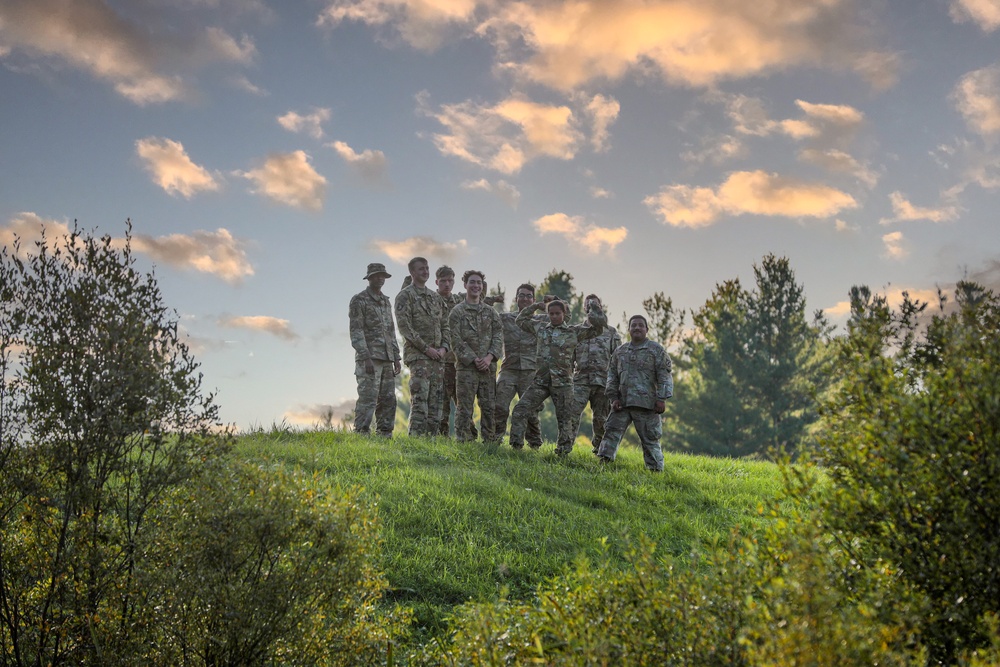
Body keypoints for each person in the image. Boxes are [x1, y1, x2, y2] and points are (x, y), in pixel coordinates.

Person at [508, 297, 606, 455]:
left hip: (563, 383)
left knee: (565, 420)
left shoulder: (574, 331)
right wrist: (535, 306)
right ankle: (516, 447)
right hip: (541, 381)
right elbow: (520, 320)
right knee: (520, 409)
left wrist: (594, 308)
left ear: (564, 313)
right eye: (551, 313)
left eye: (557, 313)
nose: (554, 316)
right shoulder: (540, 327)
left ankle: (562, 452)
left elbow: (598, 328)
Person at [596, 314, 673, 472]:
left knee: (650, 439)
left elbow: (664, 375)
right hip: (622, 404)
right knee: (610, 433)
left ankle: (656, 471)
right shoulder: (620, 351)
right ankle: (604, 465)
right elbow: (612, 376)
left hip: (647, 404)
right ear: (629, 329)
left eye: (640, 325)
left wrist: (662, 398)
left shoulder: (656, 350)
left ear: (646, 329)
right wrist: (613, 398)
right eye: (633, 325)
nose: (637, 328)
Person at [394, 256, 450, 437]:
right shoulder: (405, 296)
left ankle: (431, 443)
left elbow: (445, 325)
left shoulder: (435, 297)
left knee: (436, 403)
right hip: (419, 357)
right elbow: (405, 327)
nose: (425, 272)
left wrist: (444, 348)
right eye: (421, 269)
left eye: (427, 268)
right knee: (420, 401)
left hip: (438, 358)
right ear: (412, 272)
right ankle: (416, 442)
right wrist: (426, 349)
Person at [448, 270, 503, 442]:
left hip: (488, 368)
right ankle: (463, 441)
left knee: (488, 407)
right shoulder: (457, 312)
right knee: (464, 408)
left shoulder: (491, 312)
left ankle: (489, 443)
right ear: (465, 285)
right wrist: (473, 358)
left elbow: (498, 336)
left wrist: (488, 358)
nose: (476, 286)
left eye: (479, 283)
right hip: (466, 369)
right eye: (472, 282)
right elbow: (455, 340)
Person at [349, 262, 402, 437]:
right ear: (370, 277)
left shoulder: (386, 302)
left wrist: (396, 357)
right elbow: (356, 330)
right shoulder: (359, 300)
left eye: (383, 276)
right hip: (370, 358)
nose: (380, 278)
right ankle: (361, 434)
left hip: (387, 358)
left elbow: (391, 330)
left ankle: (385, 435)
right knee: (368, 398)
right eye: (377, 275)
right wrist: (365, 357)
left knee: (388, 399)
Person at [494, 283, 546, 448]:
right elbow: (485, 313)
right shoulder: (505, 318)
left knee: (531, 411)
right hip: (509, 369)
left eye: (528, 296)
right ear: (516, 299)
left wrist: (551, 302)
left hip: (531, 371)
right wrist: (492, 299)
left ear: (534, 299)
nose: (525, 298)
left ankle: (535, 444)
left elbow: (563, 315)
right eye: (521, 295)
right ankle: (495, 440)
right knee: (500, 406)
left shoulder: (542, 320)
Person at [570, 295, 622, 453]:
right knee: (571, 414)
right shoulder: (577, 331)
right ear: (584, 308)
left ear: (601, 306)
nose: (591, 306)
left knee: (601, 420)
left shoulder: (611, 332)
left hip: (603, 382)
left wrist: (617, 386)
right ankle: (564, 448)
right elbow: (568, 357)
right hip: (580, 381)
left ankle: (600, 451)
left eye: (595, 304)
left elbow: (619, 359)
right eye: (588, 304)